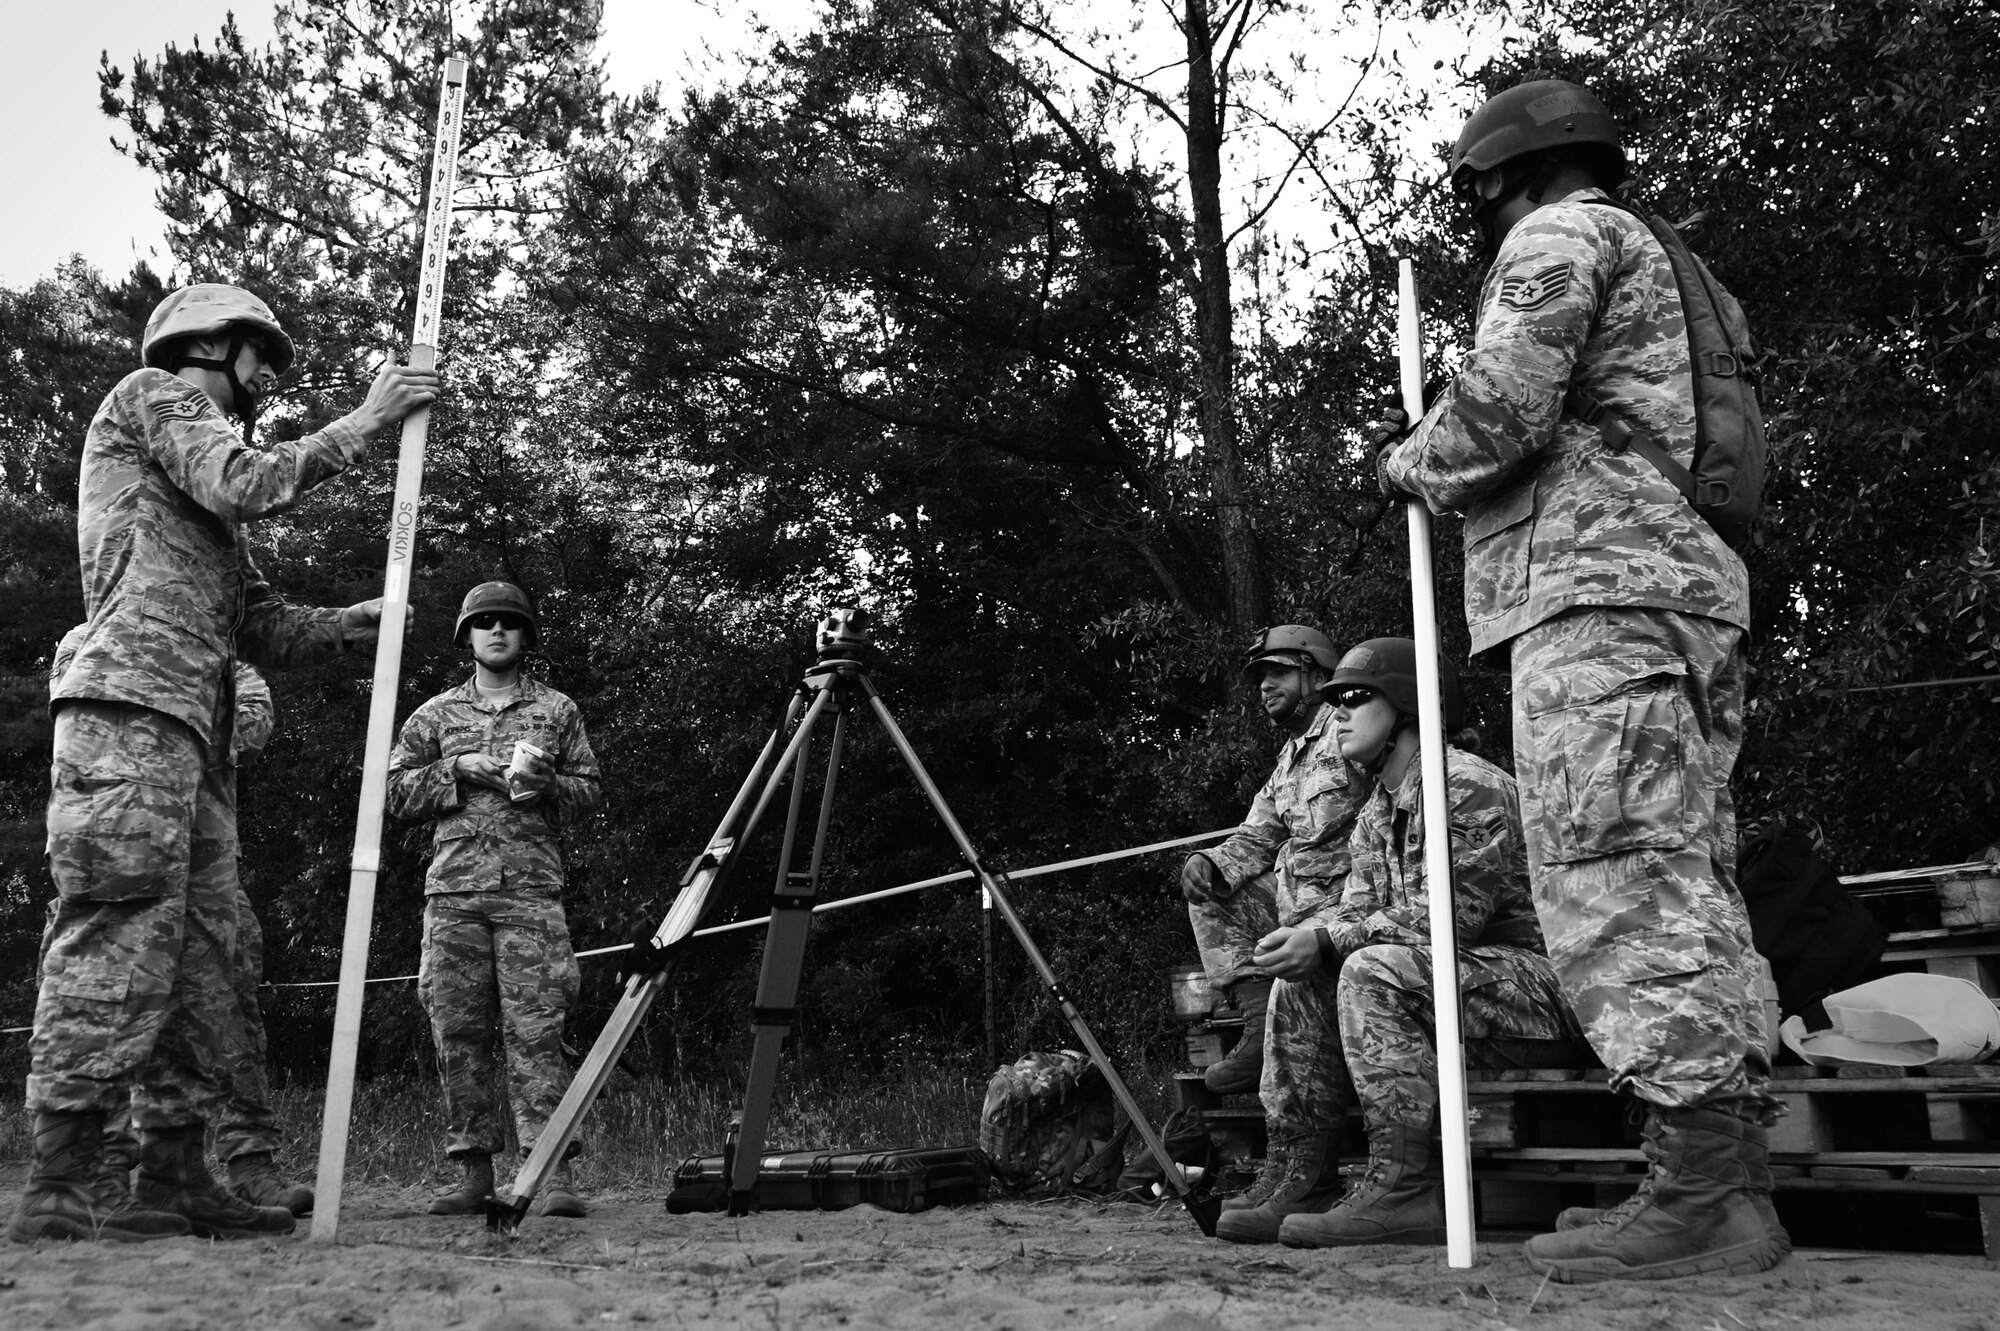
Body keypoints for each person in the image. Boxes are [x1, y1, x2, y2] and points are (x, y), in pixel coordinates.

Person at [1378, 79, 1788, 1280]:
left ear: (1502, 173)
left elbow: (1500, 408)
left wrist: (1410, 462)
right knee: (1686, 876)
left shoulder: (1556, 237)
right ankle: (1724, 1181)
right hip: (1689, 595)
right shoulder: (1686, 270)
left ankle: (1701, 1190)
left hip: (1598, 593)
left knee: (1616, 872)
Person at [12, 283, 439, 1244]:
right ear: (215, 345)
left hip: (194, 733)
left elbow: (260, 623)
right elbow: (246, 479)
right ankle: (59, 1178)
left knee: (209, 955)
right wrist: (368, 421)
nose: (263, 381)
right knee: (116, 926)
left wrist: (356, 628)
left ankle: (171, 1173)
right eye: (259, 360)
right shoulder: (154, 396)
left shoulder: (201, 491)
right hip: (127, 707)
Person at [1219, 638, 1580, 1246]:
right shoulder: (1376, 813)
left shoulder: (1466, 786)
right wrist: (1313, 940)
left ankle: (1404, 1187)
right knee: (1304, 975)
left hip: (1536, 993)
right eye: (1332, 701)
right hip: (1451, 987)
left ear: (1409, 707)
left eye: (1355, 697)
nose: (1337, 714)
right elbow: (1357, 912)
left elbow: (1449, 921)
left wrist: (1328, 936)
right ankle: (1305, 1171)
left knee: (1368, 970)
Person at [49, 630, 313, 1218]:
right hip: (121, 856)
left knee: (232, 1012)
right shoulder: (86, 643)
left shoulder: (225, 654)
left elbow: (254, 724)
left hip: (206, 864)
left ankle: (245, 1164)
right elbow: (84, 727)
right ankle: (107, 1165)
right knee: (109, 1005)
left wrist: (175, 720)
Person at [387, 581, 601, 1219]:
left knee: (538, 1032)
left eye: (509, 622)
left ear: (526, 635)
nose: (497, 631)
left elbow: (593, 791)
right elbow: (392, 794)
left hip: (531, 893)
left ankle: (550, 1174)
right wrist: (456, 771)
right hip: (454, 896)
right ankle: (473, 1174)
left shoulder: (557, 710)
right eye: (484, 623)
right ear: (468, 637)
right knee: (459, 1033)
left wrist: (550, 785)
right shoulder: (434, 716)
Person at [1182, 626, 1366, 1102]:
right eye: (1261, 676)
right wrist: (1208, 860)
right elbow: (1258, 834)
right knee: (1212, 889)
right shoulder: (1290, 758)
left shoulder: (1352, 731)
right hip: (1295, 899)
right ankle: (1258, 1020)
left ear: (1315, 675)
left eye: (1278, 672)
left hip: (1346, 902)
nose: (1264, 685)